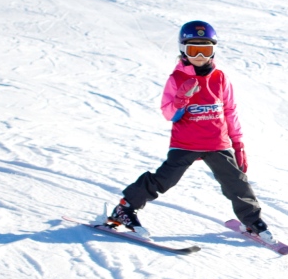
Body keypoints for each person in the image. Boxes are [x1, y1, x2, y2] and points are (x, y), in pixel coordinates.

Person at [106, 21, 276, 243]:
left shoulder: (220, 78)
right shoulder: (176, 79)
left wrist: (238, 144)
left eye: (204, 50)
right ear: (182, 50)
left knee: (236, 182)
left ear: (213, 51)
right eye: (192, 49)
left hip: (218, 142)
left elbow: (229, 111)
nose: (198, 55)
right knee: (164, 180)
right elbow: (170, 114)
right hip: (186, 142)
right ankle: (125, 209)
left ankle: (252, 221)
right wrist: (181, 99)